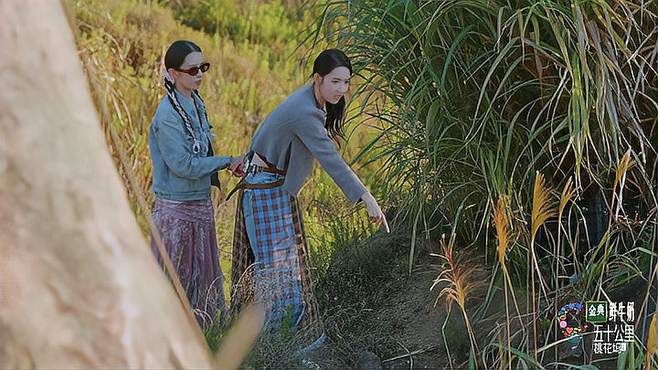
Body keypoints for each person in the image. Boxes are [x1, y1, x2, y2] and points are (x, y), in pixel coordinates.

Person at [229, 49, 389, 349]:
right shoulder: (304, 111)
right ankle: (271, 349)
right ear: (318, 79)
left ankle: (280, 345)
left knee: (283, 273)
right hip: (264, 190)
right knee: (274, 275)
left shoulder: (313, 102)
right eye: (335, 82)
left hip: (271, 187)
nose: (341, 90)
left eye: (346, 83)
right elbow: (331, 160)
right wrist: (366, 197)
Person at [148, 40, 241, 328]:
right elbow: (184, 165)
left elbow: (203, 143)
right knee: (176, 283)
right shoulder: (167, 116)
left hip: (198, 206)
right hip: (177, 213)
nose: (200, 74)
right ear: (173, 73)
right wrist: (225, 161)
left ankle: (204, 338)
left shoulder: (194, 101)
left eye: (203, 67)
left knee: (201, 282)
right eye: (192, 69)